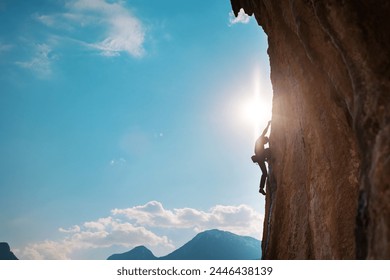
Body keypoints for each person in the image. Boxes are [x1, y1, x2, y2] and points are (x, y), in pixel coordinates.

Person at [251, 121, 271, 195]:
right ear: (264, 139)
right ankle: (261, 188)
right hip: (260, 157)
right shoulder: (260, 139)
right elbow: (264, 131)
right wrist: (268, 125)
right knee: (268, 150)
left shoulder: (260, 143)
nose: (266, 143)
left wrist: (266, 159)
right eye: (266, 141)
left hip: (260, 159)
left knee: (264, 173)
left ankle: (261, 188)